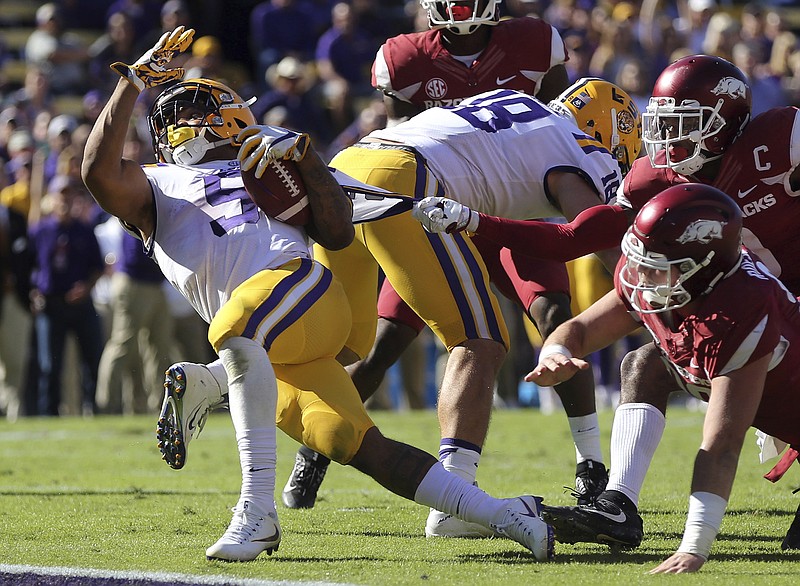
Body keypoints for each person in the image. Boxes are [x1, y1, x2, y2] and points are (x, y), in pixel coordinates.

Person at [81, 26, 555, 563]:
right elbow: (96, 171)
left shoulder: (268, 160)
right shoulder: (153, 186)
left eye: (197, 108)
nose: (189, 121)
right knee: (350, 442)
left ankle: (254, 510)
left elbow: (337, 233)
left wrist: (307, 162)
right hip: (268, 348)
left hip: (304, 295)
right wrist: (132, 84)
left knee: (232, 330)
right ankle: (508, 514)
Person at [433, 54, 800, 552]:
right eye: (662, 123)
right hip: (750, 315)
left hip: (780, 312)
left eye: (684, 124)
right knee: (647, 362)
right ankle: (617, 503)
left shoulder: (779, 143)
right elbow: (573, 237)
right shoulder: (655, 181)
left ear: (725, 123)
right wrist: (476, 222)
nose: (669, 139)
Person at [286, 78, 640, 542]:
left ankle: (218, 386)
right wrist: (657, 287)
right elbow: (591, 235)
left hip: (346, 168)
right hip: (410, 177)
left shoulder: (517, 103)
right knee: (479, 341)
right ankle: (455, 497)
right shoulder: (577, 148)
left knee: (345, 345)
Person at [282, 0, 577, 520]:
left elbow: (554, 127)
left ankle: (592, 464)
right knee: (386, 342)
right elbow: (403, 141)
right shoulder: (405, 58)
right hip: (436, 210)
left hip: (516, 209)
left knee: (557, 320)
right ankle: (317, 447)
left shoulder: (532, 42)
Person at [526, 183, 800, 573]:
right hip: (780, 404)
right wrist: (556, 354)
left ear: (704, 265)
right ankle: (617, 503)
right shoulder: (673, 277)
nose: (640, 272)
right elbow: (582, 331)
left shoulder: (743, 308)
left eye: (656, 263)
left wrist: (694, 548)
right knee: (646, 363)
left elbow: (721, 445)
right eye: (641, 256)